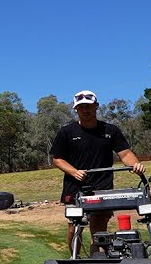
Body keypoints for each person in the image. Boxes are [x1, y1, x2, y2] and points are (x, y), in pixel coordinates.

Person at [49, 89, 145, 255]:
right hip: (75, 187)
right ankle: (75, 258)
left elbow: (125, 153)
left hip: (102, 187)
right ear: (76, 109)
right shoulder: (67, 132)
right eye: (81, 107)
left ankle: (97, 262)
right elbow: (57, 159)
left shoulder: (110, 130)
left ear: (96, 107)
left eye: (89, 106)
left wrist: (135, 165)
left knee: (99, 229)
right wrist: (74, 172)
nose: (85, 110)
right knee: (74, 226)